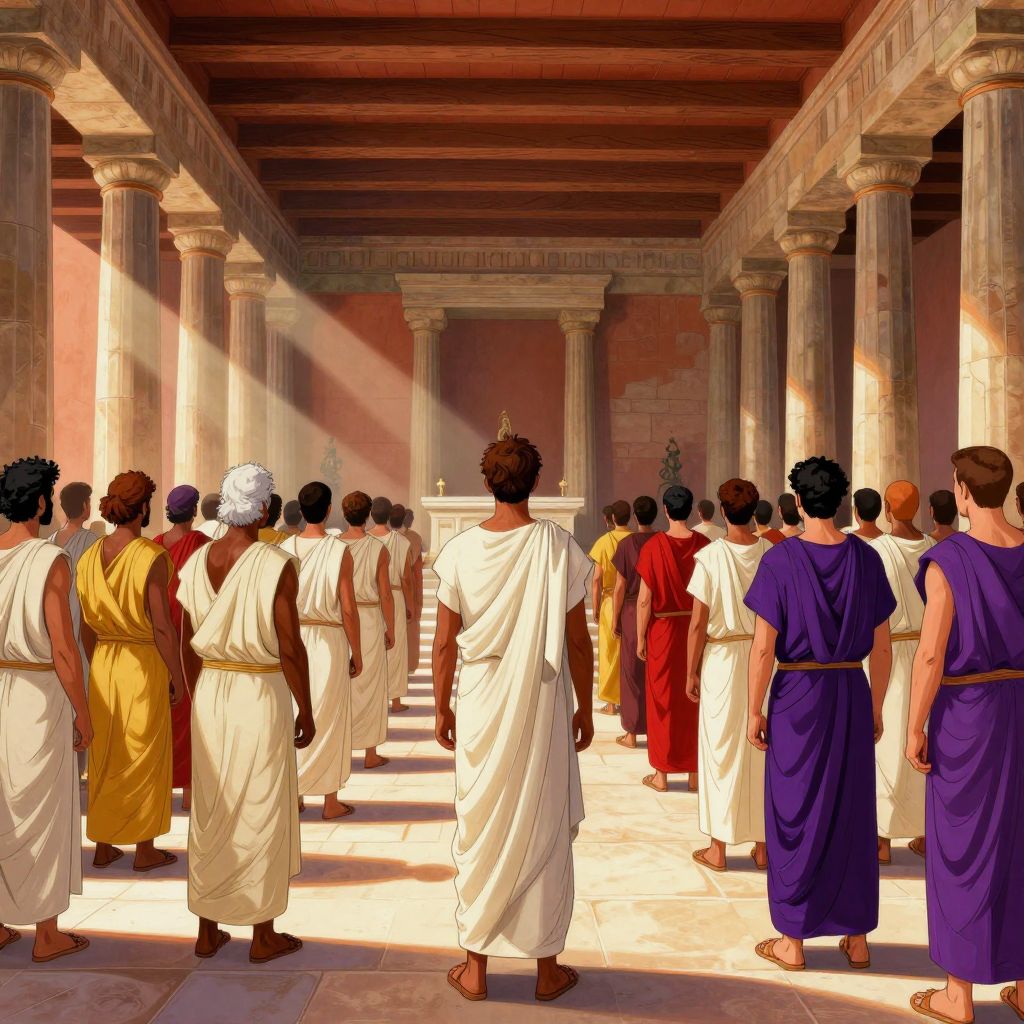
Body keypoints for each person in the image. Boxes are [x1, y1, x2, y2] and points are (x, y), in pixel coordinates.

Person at [432, 435, 594, 1003]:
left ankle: (475, 967)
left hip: (480, 695)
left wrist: (441, 703)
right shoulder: (559, 547)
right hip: (543, 695)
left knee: (482, 824)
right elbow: (578, 640)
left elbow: (445, 642)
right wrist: (586, 707)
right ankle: (546, 969)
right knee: (542, 820)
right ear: (537, 481)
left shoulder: (457, 551)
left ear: (486, 483)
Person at [744, 456, 894, 973]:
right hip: (851, 690)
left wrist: (752, 709)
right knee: (852, 811)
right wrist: (875, 706)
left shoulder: (779, 562)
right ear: (843, 502)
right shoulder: (867, 559)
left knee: (796, 812)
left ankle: (794, 939)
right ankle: (856, 938)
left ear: (800, 503)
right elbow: (884, 647)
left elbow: (764, 648)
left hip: (798, 697)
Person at [177, 462, 315, 964]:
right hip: (258, 692)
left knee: (213, 808)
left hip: (211, 690)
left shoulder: (195, 564)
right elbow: (290, 648)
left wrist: (196, 695)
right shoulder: (274, 564)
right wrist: (307, 708)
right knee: (259, 805)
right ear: (260, 507)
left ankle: (207, 928)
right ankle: (262, 934)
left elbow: (191, 643)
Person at [906, 446, 1024, 1024]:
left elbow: (930, 655)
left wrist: (913, 726)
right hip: (1023, 707)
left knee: (965, 845)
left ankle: (959, 993)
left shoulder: (947, 559)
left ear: (964, 492)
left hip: (969, 714)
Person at [0, 457, 92, 963]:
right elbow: (63, 648)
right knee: (46, 808)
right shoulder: (49, 559)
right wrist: (83, 711)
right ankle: (47, 933)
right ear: (39, 502)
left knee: (1, 806)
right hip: (39, 692)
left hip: (0, 686)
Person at [77, 471, 183, 872]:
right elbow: (161, 625)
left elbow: (86, 625)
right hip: (142, 663)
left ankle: (103, 844)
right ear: (143, 508)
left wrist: (96, 662)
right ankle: (144, 848)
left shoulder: (88, 558)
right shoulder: (150, 556)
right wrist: (175, 673)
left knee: (105, 752)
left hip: (103, 662)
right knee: (143, 753)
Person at [685, 478, 770, 872]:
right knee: (761, 751)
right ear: (753, 512)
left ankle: (718, 848)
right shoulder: (771, 553)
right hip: (764, 658)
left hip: (721, 659)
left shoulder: (710, 557)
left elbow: (698, 622)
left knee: (721, 752)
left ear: (722, 511)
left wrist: (691, 670)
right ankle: (764, 846)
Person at [280, 482, 362, 819]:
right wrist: (357, 650)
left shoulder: (284, 547)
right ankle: (330, 801)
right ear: (329, 510)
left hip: (292, 639)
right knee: (329, 718)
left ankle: (296, 794)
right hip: (327, 642)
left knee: (295, 713)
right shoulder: (339, 550)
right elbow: (347, 607)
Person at [871, 481, 932, 865]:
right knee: (922, 738)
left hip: (887, 651)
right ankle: (925, 833)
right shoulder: (935, 548)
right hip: (929, 652)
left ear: (888, 512)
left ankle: (881, 841)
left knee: (888, 742)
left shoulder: (875, 551)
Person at [636, 485, 709, 793]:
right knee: (692, 700)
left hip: (663, 631)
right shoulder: (704, 544)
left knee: (662, 700)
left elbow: (644, 600)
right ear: (689, 509)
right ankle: (693, 774)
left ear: (665, 509)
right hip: (696, 628)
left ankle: (662, 775)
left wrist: (640, 636)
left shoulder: (653, 546)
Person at [153, 485, 210, 812]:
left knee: (167, 711)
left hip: (162, 634)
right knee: (189, 710)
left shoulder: (156, 544)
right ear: (193, 511)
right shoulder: (202, 545)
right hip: (190, 632)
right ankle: (189, 792)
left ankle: (164, 787)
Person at [339, 491, 394, 770]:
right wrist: (391, 627)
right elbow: (386, 594)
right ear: (368, 514)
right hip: (371, 618)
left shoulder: (333, 546)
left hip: (342, 619)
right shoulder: (378, 549)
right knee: (370, 685)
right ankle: (370, 753)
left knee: (345, 684)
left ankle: (342, 746)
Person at [49, 481, 99, 774]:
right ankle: (79, 766)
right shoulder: (92, 542)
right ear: (83, 506)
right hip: (80, 626)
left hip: (56, 628)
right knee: (81, 692)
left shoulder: (51, 540)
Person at [611, 495, 658, 749]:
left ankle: (631, 733)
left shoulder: (628, 544)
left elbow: (619, 586)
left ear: (636, 517)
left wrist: (615, 617)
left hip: (631, 609)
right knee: (654, 670)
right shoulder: (661, 541)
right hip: (657, 611)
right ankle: (654, 729)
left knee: (630, 672)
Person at [369, 497, 413, 713]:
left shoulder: (363, 540)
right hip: (394, 597)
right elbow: (406, 577)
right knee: (394, 650)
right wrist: (410, 604)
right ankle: (394, 701)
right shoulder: (402, 542)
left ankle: (374, 699)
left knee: (373, 648)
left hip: (370, 599)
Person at [589, 500, 632, 716]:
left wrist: (596, 607)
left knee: (608, 652)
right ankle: (627, 699)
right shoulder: (634, 540)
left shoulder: (604, 541)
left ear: (612, 518)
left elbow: (596, 579)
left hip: (608, 601)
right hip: (631, 601)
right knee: (628, 651)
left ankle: (611, 703)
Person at [397, 506, 425, 675]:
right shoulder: (415, 538)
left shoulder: (385, 536)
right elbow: (417, 572)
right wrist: (418, 601)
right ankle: (408, 666)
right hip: (409, 588)